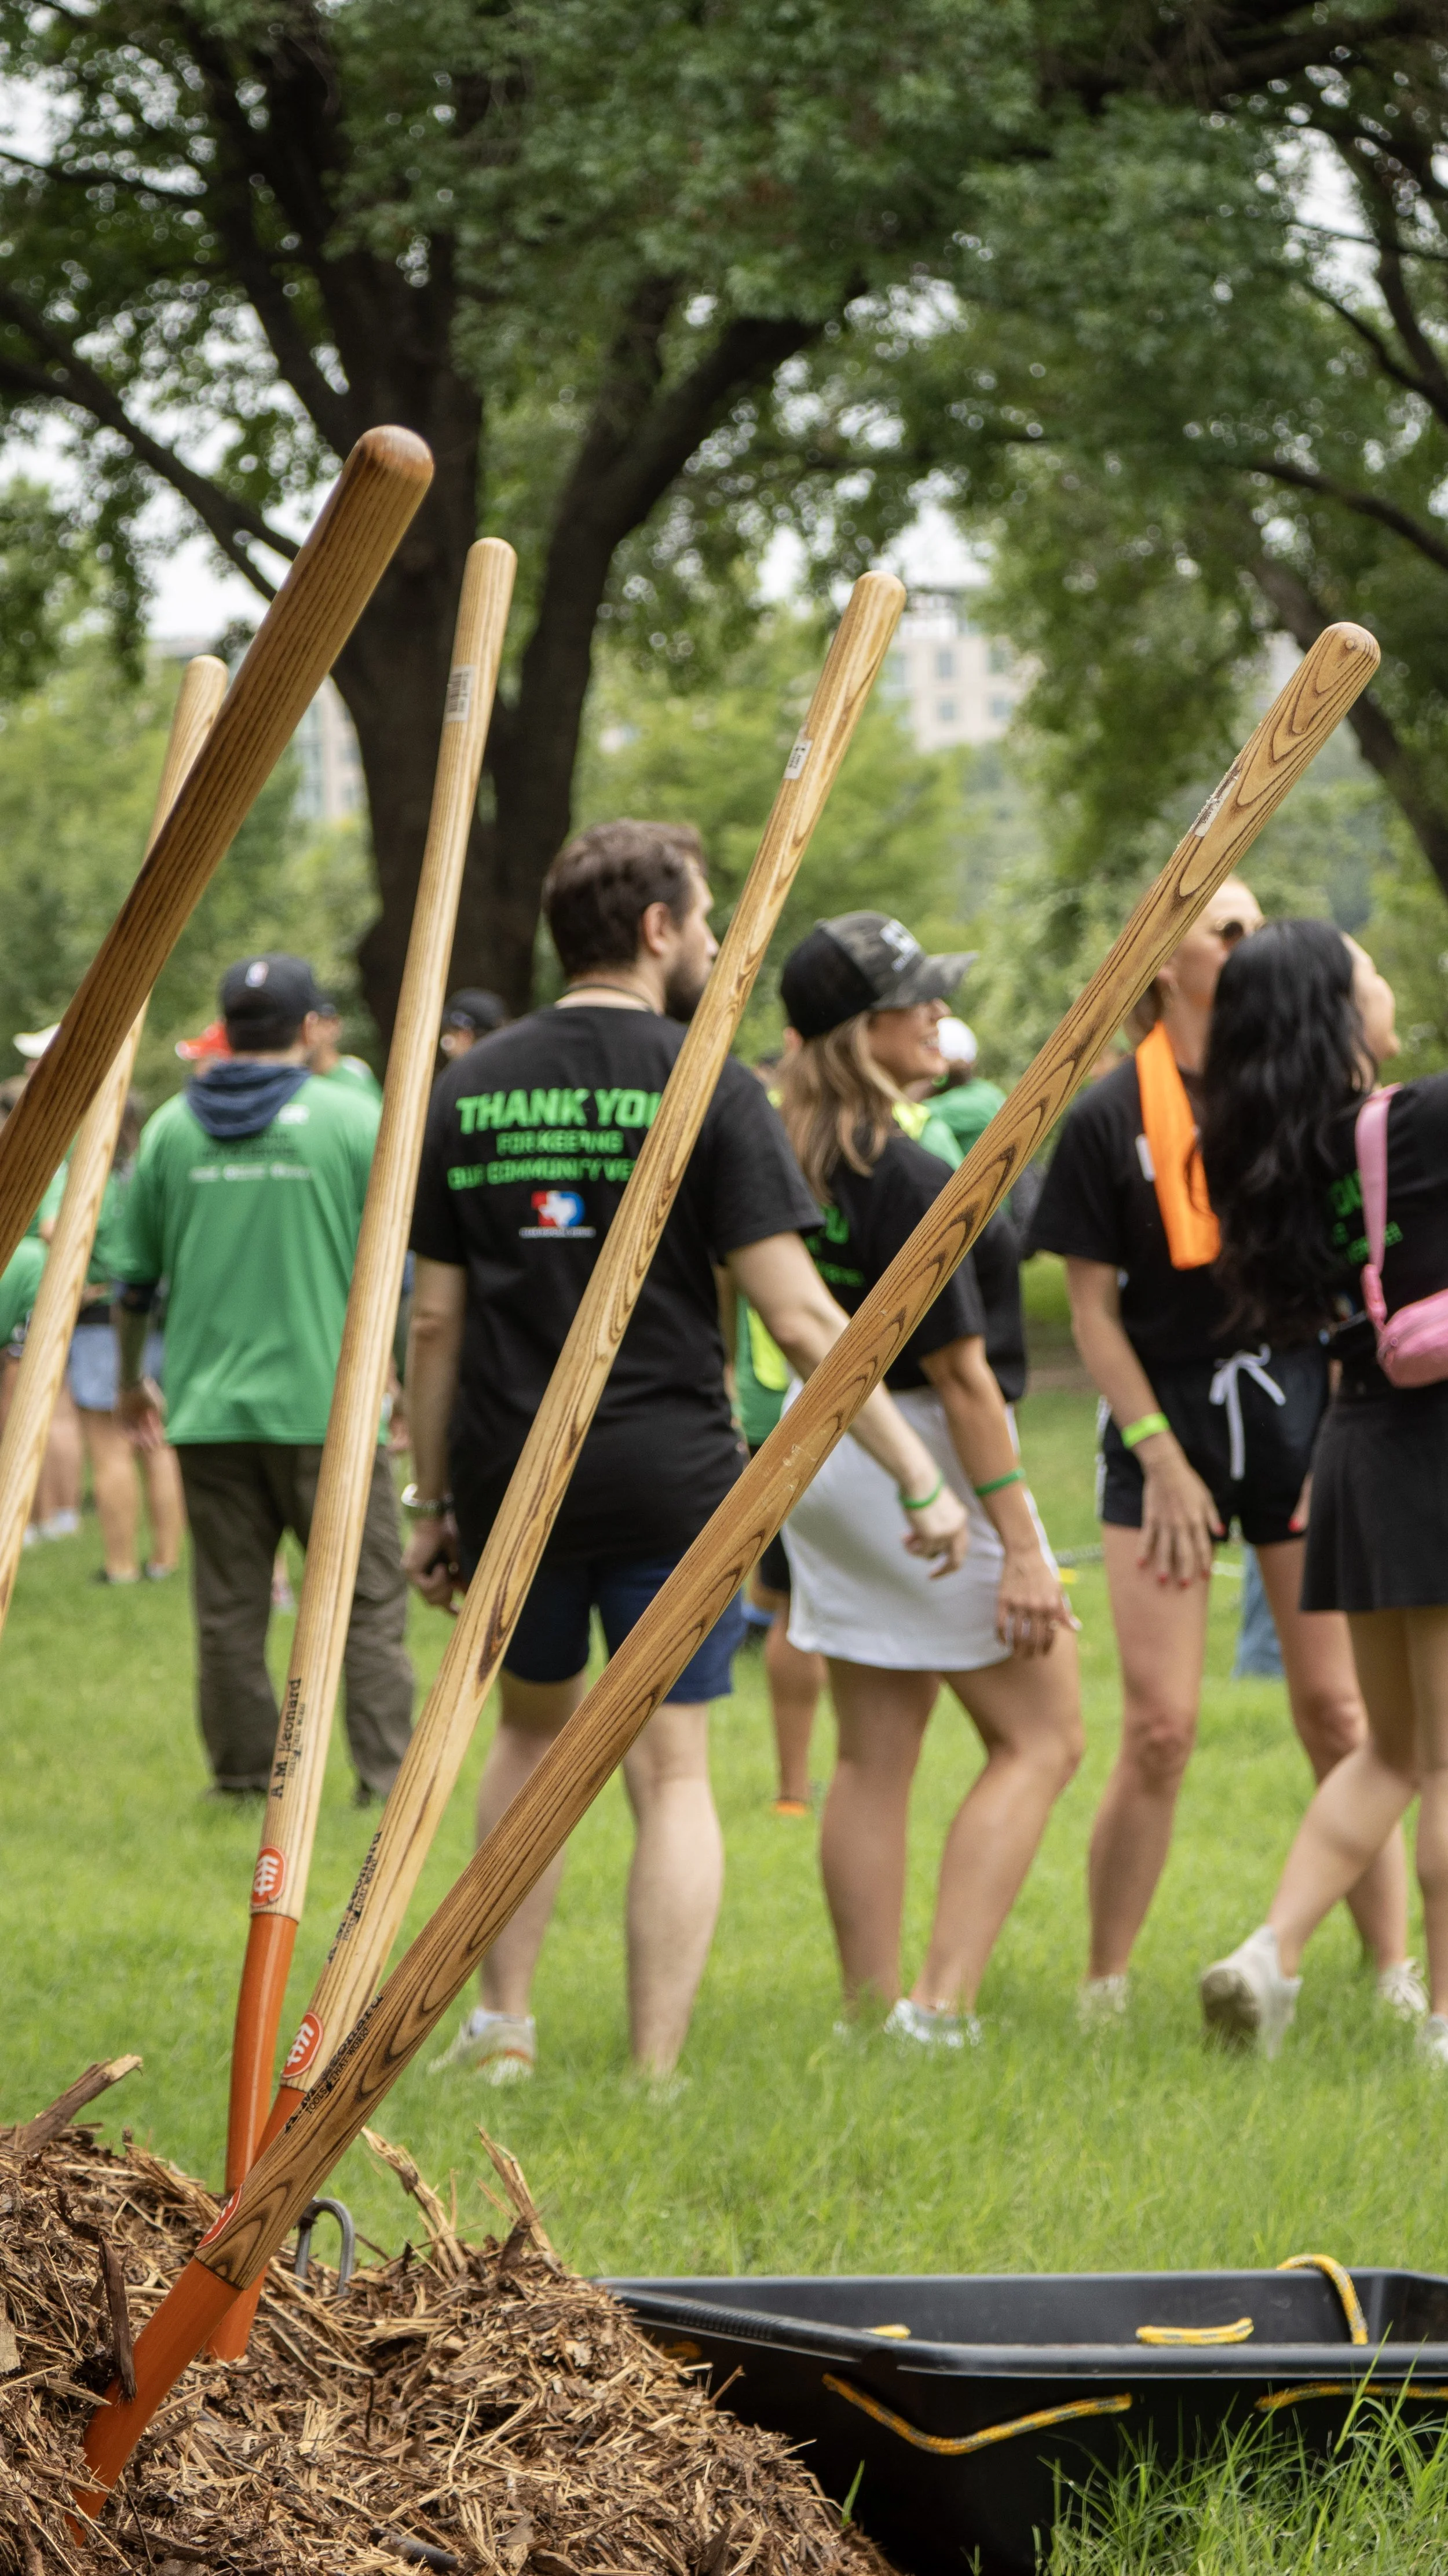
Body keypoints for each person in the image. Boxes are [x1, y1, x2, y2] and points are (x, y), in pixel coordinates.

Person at [406, 825, 967, 2084]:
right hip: (668, 1472)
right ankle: (653, 2074)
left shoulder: (471, 1083)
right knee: (671, 1770)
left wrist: (431, 1500)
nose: (715, 943)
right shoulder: (706, 1078)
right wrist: (916, 1476)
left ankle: (504, 2027)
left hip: (512, 1472)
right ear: (656, 930)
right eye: (705, 919)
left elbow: (433, 1319)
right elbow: (799, 1313)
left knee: (527, 1736)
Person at [1027, 880, 1413, 2022]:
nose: (1248, 945)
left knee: (1342, 1719)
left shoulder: (1310, 1097)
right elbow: (1089, 1314)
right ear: (1162, 963)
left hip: (1301, 1425)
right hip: (1164, 1439)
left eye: (1254, 929)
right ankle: (1103, 1987)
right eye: (1224, 929)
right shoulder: (1106, 1118)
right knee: (1159, 1730)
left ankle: (1388, 1969)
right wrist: (1156, 1458)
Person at [776, 912, 1081, 2046]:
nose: (938, 1018)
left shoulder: (784, 1158)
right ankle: (938, 2008)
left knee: (869, 1753)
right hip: (929, 1473)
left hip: (825, 1459)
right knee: (1045, 1736)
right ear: (867, 1031)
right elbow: (963, 1380)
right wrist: (1026, 1552)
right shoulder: (906, 1172)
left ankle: (869, 2018)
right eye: (921, 1002)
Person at [1198, 926, 1448, 2063]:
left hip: (1350, 1445)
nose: (1383, 980)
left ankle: (1268, 1955)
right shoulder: (1416, 1123)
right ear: (1337, 1012)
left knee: (1387, 1750)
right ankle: (1443, 2024)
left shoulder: (1262, 1156)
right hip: (1435, 1446)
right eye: (1365, 968)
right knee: (1440, 1759)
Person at [113, 952, 414, 1800]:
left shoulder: (172, 1128)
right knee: (367, 1603)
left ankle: (244, 1775)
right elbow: (399, 1269)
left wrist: (134, 1379)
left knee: (230, 1610)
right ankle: (384, 1780)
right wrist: (398, 1378)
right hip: (330, 1409)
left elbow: (136, 1282)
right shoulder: (355, 1118)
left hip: (209, 1410)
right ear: (311, 1027)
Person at [46, 1097, 185, 1585]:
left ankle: (122, 1566)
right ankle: (166, 1560)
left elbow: (51, 1229)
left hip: (101, 1321)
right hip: (155, 1316)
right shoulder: (149, 1171)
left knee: (110, 1449)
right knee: (157, 1441)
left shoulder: (85, 1175)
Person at [306, 998, 382, 1100]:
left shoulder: (354, 1075)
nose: (307, 1031)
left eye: (315, 1022)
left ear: (335, 1025)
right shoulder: (291, 1079)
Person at [438, 987, 508, 1064]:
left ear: (465, 1036)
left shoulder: (466, 1073)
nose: (446, 1051)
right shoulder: (508, 1068)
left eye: (448, 1040)